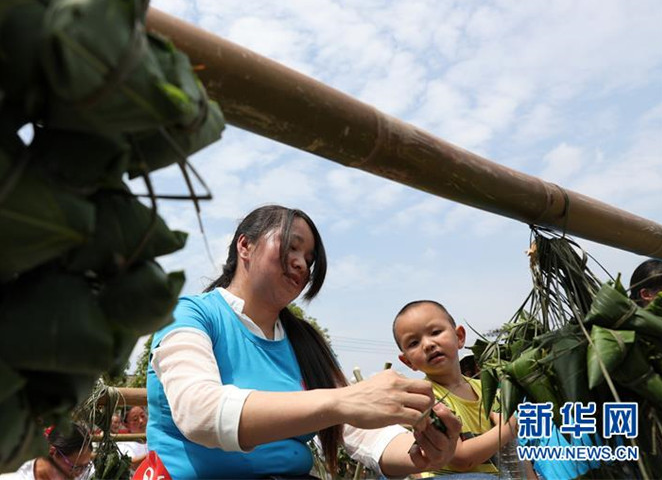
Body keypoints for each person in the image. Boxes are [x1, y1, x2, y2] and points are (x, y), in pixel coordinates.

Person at [146, 205, 460, 478]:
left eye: (309, 259)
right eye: (291, 247)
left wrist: (423, 449)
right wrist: (342, 402)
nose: (301, 264)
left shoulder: (305, 341)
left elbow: (362, 433)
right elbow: (200, 413)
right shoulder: (189, 315)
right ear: (245, 245)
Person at [393, 300, 518, 478]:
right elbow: (460, 460)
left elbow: (514, 451)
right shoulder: (425, 398)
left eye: (435, 332)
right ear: (408, 362)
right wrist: (509, 428)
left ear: (459, 337)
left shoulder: (486, 390)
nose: (428, 344)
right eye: (413, 343)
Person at [0, 424, 94, 480]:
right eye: (75, 467)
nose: (79, 474)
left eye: (86, 466)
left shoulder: (84, 473)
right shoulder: (13, 477)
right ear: (52, 452)